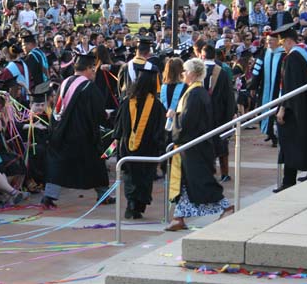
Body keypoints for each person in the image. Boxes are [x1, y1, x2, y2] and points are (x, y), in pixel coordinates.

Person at [166, 58, 234, 231]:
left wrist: (174, 117)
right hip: (192, 145)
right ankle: (179, 217)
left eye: (186, 71)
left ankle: (226, 207)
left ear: (194, 73)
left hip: (194, 145)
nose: (183, 74)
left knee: (202, 181)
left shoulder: (195, 94)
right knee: (187, 182)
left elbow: (187, 121)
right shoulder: (195, 92)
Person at [42, 52, 112, 208]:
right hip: (83, 135)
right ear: (88, 68)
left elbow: (57, 108)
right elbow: (98, 112)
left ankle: (48, 196)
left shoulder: (65, 83)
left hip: (61, 132)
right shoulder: (88, 87)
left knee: (58, 165)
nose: (94, 73)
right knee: (96, 163)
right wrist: (105, 116)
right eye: (93, 70)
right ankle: (104, 195)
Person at [272, 23, 307, 192]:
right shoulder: (304, 52)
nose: (283, 48)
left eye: (283, 44)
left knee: (291, 142)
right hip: (303, 106)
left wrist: (282, 108)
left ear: (288, 41)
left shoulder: (294, 57)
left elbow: (290, 86)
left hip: (295, 109)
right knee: (303, 141)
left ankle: (292, 179)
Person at [114, 58, 166, 219]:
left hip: (127, 147)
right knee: (144, 177)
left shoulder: (126, 101)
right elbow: (160, 130)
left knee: (129, 175)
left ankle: (131, 203)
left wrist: (118, 140)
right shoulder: (157, 106)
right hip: (147, 149)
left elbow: (118, 128)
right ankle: (138, 206)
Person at [201, 45, 235, 182]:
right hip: (219, 115)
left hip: (201, 115)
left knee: (203, 144)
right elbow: (229, 97)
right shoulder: (222, 72)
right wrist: (229, 117)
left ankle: (207, 172)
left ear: (202, 56)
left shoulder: (197, 72)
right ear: (214, 56)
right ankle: (224, 173)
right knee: (221, 145)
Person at [249, 32, 285, 147]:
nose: (269, 42)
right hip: (265, 88)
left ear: (278, 41)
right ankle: (270, 132)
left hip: (277, 89)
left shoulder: (283, 54)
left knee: (275, 112)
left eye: (272, 40)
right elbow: (257, 71)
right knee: (262, 111)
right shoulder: (264, 53)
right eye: (268, 40)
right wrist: (253, 86)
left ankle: (274, 135)